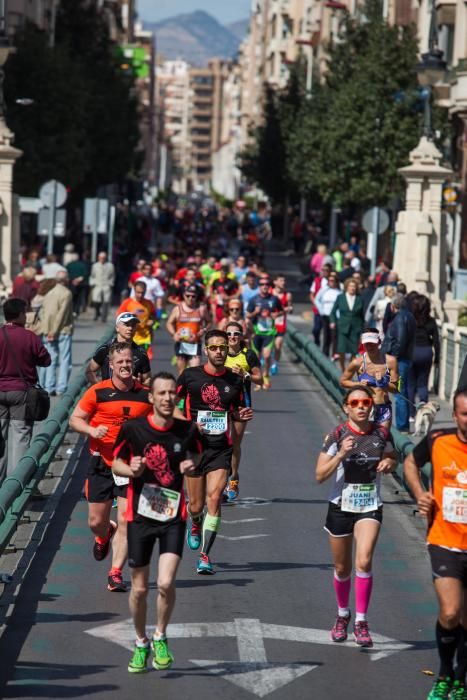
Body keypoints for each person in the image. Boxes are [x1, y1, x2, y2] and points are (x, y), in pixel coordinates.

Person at [112, 372, 200, 673]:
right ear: (151, 398)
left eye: (171, 393)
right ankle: (140, 642)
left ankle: (160, 635)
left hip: (173, 517)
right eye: (160, 393)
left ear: (176, 396)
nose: (166, 398)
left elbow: (196, 456)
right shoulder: (134, 429)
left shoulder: (187, 429)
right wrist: (132, 469)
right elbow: (116, 461)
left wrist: (191, 464)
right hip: (140, 516)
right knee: (138, 590)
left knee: (164, 583)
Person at [315, 386, 397, 648]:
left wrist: (389, 463)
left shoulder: (382, 433)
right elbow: (319, 475)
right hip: (340, 506)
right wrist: (341, 454)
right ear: (346, 407)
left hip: (369, 505)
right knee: (342, 567)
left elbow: (392, 456)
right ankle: (342, 615)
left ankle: (361, 621)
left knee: (364, 560)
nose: (361, 406)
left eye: (366, 402)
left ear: (371, 406)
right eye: (355, 402)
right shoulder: (337, 435)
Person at [69, 342, 152, 592]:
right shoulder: (98, 392)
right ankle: (105, 535)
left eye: (129, 361)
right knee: (96, 522)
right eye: (121, 362)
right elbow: (75, 419)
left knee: (128, 521)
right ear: (111, 365)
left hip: (129, 467)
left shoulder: (145, 395)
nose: (126, 365)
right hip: (101, 463)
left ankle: (115, 573)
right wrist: (92, 430)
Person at [403, 388, 467, 700]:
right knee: (451, 611)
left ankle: (460, 681)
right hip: (445, 540)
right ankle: (444, 674)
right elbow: (411, 465)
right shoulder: (439, 440)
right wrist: (420, 495)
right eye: (465, 413)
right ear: (455, 415)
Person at [175, 330, 253, 574]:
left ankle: (205, 556)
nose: (219, 351)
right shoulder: (189, 377)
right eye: (214, 348)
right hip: (195, 448)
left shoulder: (235, 380)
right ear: (205, 351)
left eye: (222, 347)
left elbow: (238, 411)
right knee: (196, 505)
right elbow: (173, 409)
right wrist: (189, 425)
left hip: (220, 448)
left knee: (214, 499)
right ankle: (195, 522)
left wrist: (239, 415)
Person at [0, 298, 51, 485]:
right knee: (21, 437)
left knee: (1, 438)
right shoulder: (29, 336)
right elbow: (46, 360)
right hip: (21, 392)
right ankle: (16, 483)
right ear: (21, 314)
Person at [223, 321, 263, 501]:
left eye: (236, 334)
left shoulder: (248, 355)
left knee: (234, 445)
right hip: (221, 403)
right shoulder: (219, 353)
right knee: (221, 444)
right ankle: (222, 480)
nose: (232, 337)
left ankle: (233, 477)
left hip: (241, 403)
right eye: (229, 334)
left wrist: (244, 375)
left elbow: (260, 379)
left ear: (241, 336)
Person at [340, 328, 399, 429]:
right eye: (367, 344)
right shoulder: (357, 362)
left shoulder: (391, 361)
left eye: (372, 343)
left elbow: (396, 388)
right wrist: (358, 384)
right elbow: (343, 381)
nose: (370, 347)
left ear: (379, 342)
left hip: (383, 407)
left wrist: (383, 382)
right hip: (364, 408)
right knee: (363, 441)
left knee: (382, 439)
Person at [381, 293, 416, 433]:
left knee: (399, 392)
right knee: (402, 391)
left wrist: (393, 356)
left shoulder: (400, 318)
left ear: (392, 306)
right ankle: (403, 424)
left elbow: (400, 340)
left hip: (399, 361)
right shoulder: (409, 316)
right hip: (404, 359)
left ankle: (402, 426)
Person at [86, 312, 151, 385]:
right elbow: (90, 371)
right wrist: (100, 388)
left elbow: (147, 379)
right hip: (108, 395)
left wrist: (139, 385)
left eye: (133, 325)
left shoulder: (141, 353)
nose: (130, 328)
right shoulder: (105, 349)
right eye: (126, 325)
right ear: (117, 328)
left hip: (131, 395)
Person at [407, 294, 440, 426]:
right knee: (423, 383)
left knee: (410, 385)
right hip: (426, 352)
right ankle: (425, 411)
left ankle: (411, 414)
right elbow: (436, 341)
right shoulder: (431, 321)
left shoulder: (409, 319)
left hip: (411, 351)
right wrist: (437, 358)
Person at [40, 270, 74, 397]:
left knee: (51, 359)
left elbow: (43, 312)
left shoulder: (49, 292)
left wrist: (47, 330)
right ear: (66, 280)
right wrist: (54, 331)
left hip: (47, 330)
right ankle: (61, 388)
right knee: (65, 359)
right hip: (63, 330)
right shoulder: (66, 293)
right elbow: (62, 314)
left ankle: (49, 387)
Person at [247, 275, 283, 390]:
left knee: (267, 356)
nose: (264, 286)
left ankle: (266, 375)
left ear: (269, 286)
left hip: (269, 332)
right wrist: (254, 313)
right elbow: (247, 315)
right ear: (259, 286)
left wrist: (276, 315)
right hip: (256, 332)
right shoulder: (254, 299)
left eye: (267, 284)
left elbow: (282, 311)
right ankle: (259, 379)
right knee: (257, 358)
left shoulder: (274, 299)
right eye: (262, 284)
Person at [166, 284, 211, 375]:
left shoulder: (201, 309)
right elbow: (169, 323)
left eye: (193, 296)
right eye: (188, 296)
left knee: (195, 371)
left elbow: (209, 322)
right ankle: (182, 389)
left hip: (195, 343)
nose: (190, 298)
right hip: (181, 344)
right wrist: (174, 334)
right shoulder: (178, 309)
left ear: (196, 296)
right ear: (183, 295)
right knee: (182, 373)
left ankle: (191, 389)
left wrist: (203, 330)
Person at [330, 277, 365, 371]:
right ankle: (342, 368)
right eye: (350, 286)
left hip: (355, 328)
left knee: (354, 351)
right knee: (341, 350)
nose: (352, 288)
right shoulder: (340, 297)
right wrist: (333, 322)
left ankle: (349, 370)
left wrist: (363, 330)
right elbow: (333, 312)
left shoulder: (359, 299)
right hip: (343, 328)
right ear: (346, 287)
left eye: (354, 286)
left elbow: (362, 316)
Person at [117, 281, 156, 352]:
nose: (140, 295)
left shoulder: (149, 303)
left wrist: (152, 321)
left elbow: (154, 316)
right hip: (130, 338)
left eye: (142, 293)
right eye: (138, 292)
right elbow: (118, 317)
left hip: (145, 338)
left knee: (145, 361)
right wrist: (129, 315)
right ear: (134, 291)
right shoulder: (127, 302)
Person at [315, 272, 342, 357]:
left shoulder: (339, 292)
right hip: (325, 315)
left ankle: (334, 355)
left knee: (334, 336)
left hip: (335, 317)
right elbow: (317, 300)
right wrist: (321, 310)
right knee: (326, 336)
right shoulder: (324, 290)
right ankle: (325, 354)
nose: (331, 282)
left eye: (333, 280)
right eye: (329, 280)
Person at [271, 274, 293, 375]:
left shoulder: (287, 295)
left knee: (278, 345)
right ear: (275, 282)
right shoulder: (270, 292)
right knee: (268, 344)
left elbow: (290, 308)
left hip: (280, 322)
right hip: (268, 323)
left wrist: (289, 309)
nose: (283, 283)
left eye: (284, 281)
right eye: (280, 280)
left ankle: (275, 364)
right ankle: (265, 358)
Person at [310, 264, 332, 347]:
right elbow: (312, 295)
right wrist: (316, 304)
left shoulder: (332, 282)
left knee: (327, 332)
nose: (324, 272)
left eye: (326, 270)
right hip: (318, 310)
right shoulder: (317, 280)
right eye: (322, 270)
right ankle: (317, 342)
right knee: (316, 329)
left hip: (328, 311)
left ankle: (325, 350)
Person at [90, 251, 115, 322]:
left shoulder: (110, 265)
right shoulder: (95, 265)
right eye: (101, 258)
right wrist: (92, 283)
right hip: (98, 284)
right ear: (98, 258)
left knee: (106, 301)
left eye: (103, 258)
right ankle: (97, 313)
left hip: (106, 285)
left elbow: (112, 275)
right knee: (96, 300)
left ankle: (104, 317)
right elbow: (92, 275)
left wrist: (111, 283)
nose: (102, 259)